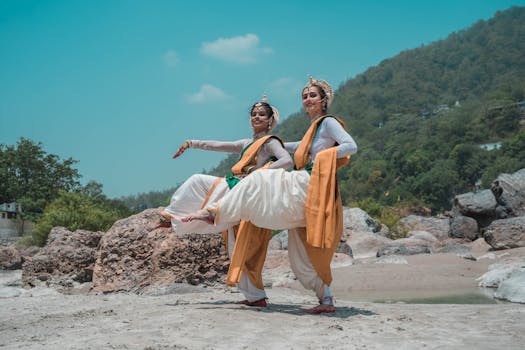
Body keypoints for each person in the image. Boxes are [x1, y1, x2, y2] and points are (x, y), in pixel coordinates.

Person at [183, 77, 358, 314]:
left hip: (312, 183)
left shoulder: (328, 123)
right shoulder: (313, 129)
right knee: (302, 253)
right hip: (306, 183)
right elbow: (293, 148)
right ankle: (326, 300)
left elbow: (350, 146)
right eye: (305, 96)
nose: (308, 100)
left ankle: (213, 212)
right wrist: (268, 144)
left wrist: (323, 158)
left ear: (324, 99)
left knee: (259, 178)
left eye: (313, 95)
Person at [160, 96, 292, 307]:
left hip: (247, 192)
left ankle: (206, 213)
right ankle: (256, 297)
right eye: (254, 114)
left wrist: (260, 171)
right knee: (234, 244)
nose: (256, 117)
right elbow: (217, 145)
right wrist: (192, 143)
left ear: (270, 120)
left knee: (244, 245)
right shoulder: (246, 143)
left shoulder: (271, 142)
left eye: (261, 114)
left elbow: (287, 160)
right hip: (233, 186)